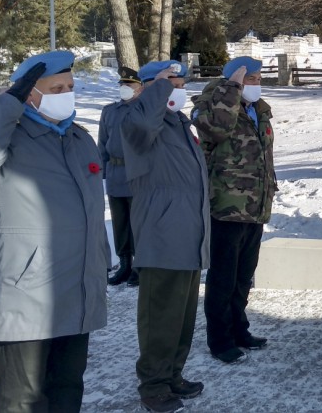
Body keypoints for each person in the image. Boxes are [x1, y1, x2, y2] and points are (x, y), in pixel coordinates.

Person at [0, 51, 109, 412]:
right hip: (24, 297)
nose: (66, 93)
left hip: (76, 291)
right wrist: (4, 108)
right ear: (28, 95)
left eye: (70, 86)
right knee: (22, 400)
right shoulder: (7, 137)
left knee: (67, 387)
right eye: (56, 87)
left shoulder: (78, 137)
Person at [120, 60, 210, 413]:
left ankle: (172, 374)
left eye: (180, 82)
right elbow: (142, 122)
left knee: (182, 316)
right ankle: (153, 384)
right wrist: (157, 88)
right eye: (171, 82)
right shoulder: (133, 121)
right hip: (161, 236)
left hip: (187, 234)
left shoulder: (178, 124)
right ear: (148, 88)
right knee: (160, 316)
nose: (178, 88)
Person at [191, 56, 277, 364]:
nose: (257, 84)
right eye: (250, 79)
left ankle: (240, 329)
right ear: (233, 81)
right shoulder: (211, 108)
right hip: (226, 208)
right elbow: (215, 132)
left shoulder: (258, 110)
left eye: (258, 78)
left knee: (244, 277)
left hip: (255, 207)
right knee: (223, 279)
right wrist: (231, 90)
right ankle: (220, 339)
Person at [99, 67, 145, 286]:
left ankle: (140, 265)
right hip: (116, 173)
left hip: (137, 173)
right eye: (122, 85)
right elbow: (103, 142)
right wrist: (101, 171)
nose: (125, 89)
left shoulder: (144, 110)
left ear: (140, 88)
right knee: (120, 222)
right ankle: (125, 263)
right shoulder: (109, 111)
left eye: (129, 85)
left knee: (138, 221)